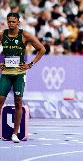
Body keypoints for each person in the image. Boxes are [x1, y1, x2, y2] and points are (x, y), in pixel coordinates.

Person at [0, 12, 46, 143]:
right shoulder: (3, 34)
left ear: (18, 23)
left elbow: (42, 49)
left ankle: (15, 133)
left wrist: (30, 64)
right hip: (6, 74)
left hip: (19, 74)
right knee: (0, 101)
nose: (11, 24)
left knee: (18, 102)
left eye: (13, 22)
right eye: (9, 21)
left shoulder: (24, 35)